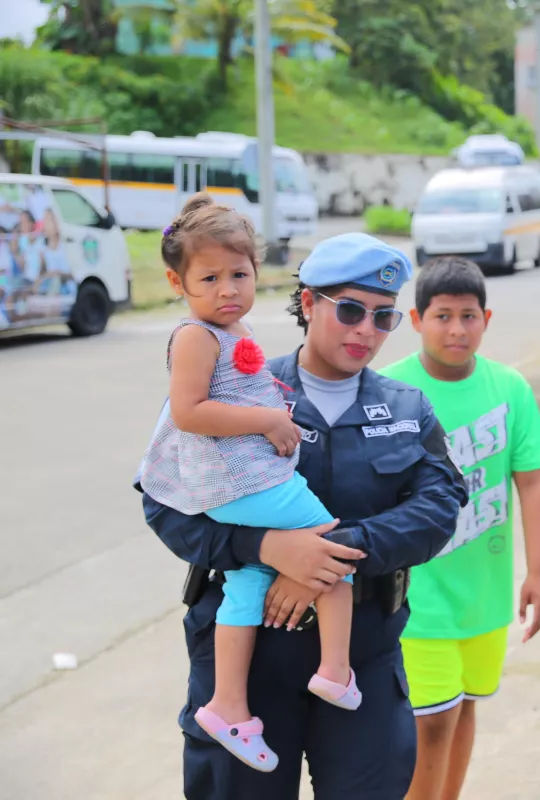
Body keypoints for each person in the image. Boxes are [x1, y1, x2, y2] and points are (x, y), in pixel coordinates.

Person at [136, 230, 470, 799]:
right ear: (309, 302)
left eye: (383, 317)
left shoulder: (407, 407)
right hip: (250, 659)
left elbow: (441, 505)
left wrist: (325, 555)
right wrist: (266, 549)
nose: (366, 330)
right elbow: (165, 504)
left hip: (360, 655)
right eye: (349, 310)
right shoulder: (233, 385)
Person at [138, 195, 366, 773]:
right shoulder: (196, 336)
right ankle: (336, 671)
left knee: (247, 584)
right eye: (209, 277)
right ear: (176, 280)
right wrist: (269, 419)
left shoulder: (229, 328)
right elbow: (189, 411)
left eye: (238, 274)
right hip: (242, 481)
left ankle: (226, 705)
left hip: (236, 484)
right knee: (329, 552)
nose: (227, 289)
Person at [378, 256, 540, 800]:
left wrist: (538, 573)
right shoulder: (389, 390)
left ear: (487, 318)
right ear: (416, 319)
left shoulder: (509, 388)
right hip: (417, 596)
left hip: (485, 593)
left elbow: (533, 482)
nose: (457, 329)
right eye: (443, 316)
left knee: (465, 707)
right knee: (431, 721)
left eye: (468, 316)